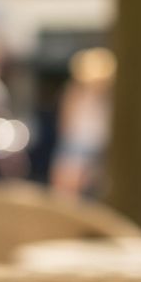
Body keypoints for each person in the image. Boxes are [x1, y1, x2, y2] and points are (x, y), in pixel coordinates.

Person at [50, 47, 115, 198]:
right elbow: (66, 120)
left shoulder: (107, 97)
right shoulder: (74, 93)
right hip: (77, 142)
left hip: (96, 144)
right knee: (68, 183)